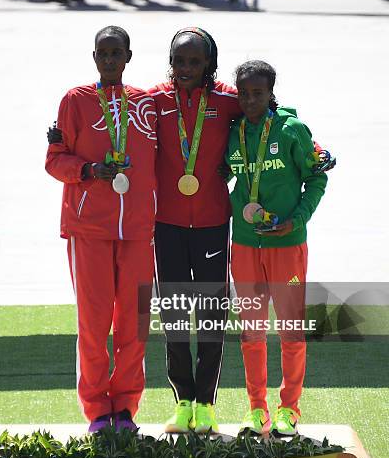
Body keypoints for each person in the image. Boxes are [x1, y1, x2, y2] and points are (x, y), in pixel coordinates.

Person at [45, 25, 157, 433]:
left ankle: (125, 408)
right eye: (102, 53)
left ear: (129, 57)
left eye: (116, 53)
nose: (109, 60)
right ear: (94, 57)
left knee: (134, 323)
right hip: (87, 228)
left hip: (138, 231)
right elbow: (55, 160)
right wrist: (90, 171)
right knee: (93, 324)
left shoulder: (147, 104)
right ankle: (97, 411)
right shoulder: (75, 101)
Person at [226, 60, 328, 436]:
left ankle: (289, 408)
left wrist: (296, 219)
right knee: (251, 331)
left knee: (290, 330)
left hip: (287, 245)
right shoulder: (232, 132)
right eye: (244, 94)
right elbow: (220, 173)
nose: (250, 101)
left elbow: (316, 179)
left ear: (271, 93)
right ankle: (257, 410)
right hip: (245, 244)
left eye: (258, 93)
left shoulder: (292, 130)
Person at [149, 27, 241, 434]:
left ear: (209, 63)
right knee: (172, 313)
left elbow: (267, 117)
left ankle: (206, 402)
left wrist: (235, 162)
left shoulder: (227, 101)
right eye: (179, 60)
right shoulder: (152, 100)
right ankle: (182, 400)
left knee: (209, 314)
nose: (185, 69)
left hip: (211, 223)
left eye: (194, 61)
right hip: (165, 223)